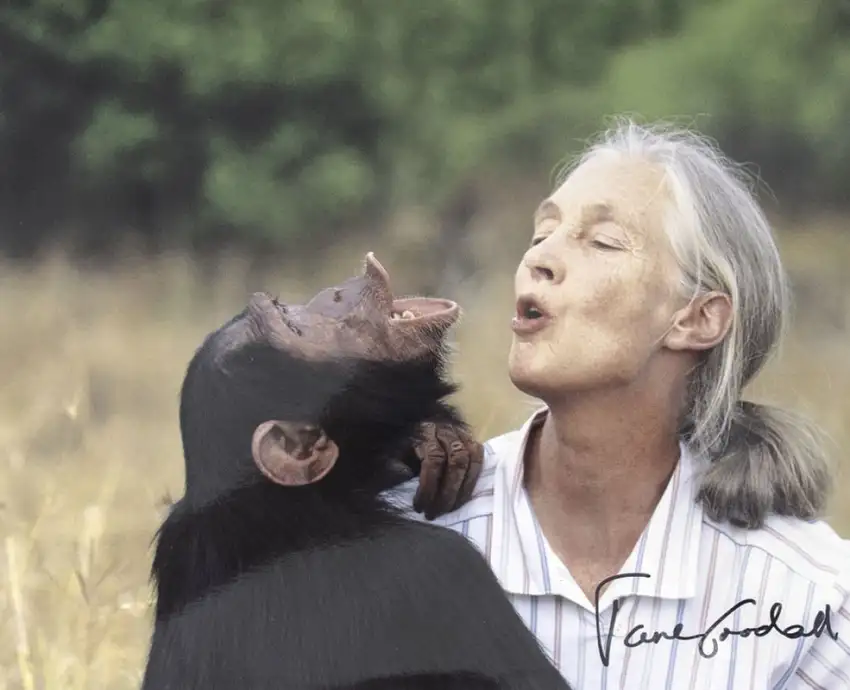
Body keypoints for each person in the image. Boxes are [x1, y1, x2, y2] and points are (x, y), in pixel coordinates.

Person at [393, 119, 850, 689]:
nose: (539, 259)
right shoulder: (403, 531)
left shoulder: (811, 601)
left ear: (697, 317)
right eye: (541, 234)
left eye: (602, 242)